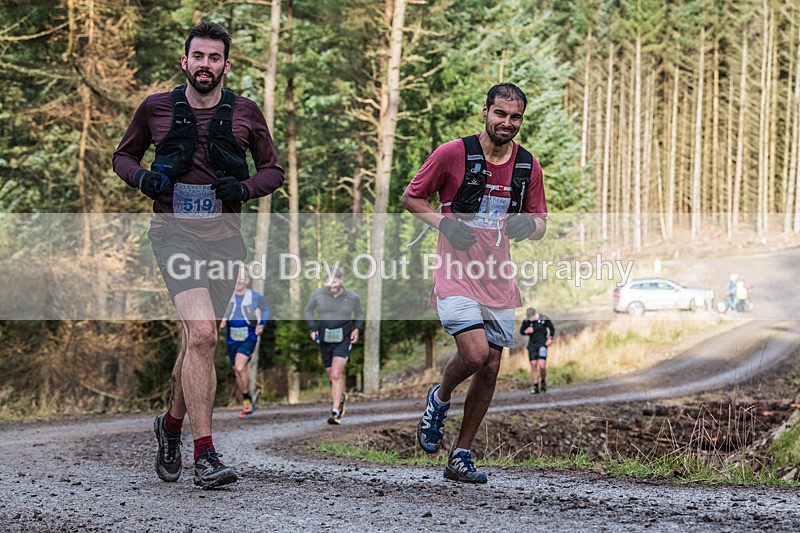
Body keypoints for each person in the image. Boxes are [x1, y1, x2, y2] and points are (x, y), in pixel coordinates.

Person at [112, 22, 284, 489]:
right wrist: (143, 179)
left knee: (196, 342)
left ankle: (169, 427)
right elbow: (122, 157)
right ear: (184, 61)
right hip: (173, 235)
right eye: (198, 57)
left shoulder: (247, 113)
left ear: (226, 65)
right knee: (205, 334)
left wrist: (244, 188)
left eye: (214, 58)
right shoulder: (156, 108)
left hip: (225, 240)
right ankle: (204, 455)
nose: (205, 65)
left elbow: (274, 171)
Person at [402, 83, 548, 483]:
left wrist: (527, 225)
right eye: (500, 113)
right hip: (456, 273)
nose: (507, 122)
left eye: (515, 116)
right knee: (475, 353)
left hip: (498, 277)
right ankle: (440, 398)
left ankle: (461, 455)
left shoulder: (526, 165)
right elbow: (412, 198)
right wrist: (446, 223)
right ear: (484, 112)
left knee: (492, 366)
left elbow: (540, 222)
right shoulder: (453, 154)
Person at [304, 269, 365, 425]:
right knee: (331, 374)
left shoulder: (352, 297)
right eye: (329, 281)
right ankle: (341, 397)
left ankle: (335, 410)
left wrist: (357, 329)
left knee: (336, 374)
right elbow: (308, 310)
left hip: (343, 339)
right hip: (324, 339)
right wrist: (312, 329)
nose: (332, 285)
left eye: (335, 281)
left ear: (341, 280)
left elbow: (359, 313)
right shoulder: (319, 294)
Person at [219, 268, 269, 419]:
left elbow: (265, 309)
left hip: (249, 336)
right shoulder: (227, 297)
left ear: (247, 280)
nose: (238, 280)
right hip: (231, 338)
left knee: (240, 366)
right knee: (236, 370)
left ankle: (247, 401)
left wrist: (262, 324)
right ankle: (248, 399)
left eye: (242, 277)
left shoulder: (255, 296)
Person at [519, 308, 555, 394]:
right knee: (533, 365)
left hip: (542, 344)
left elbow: (552, 329)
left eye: (531, 317)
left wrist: (550, 338)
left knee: (542, 365)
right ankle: (535, 385)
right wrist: (526, 331)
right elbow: (521, 331)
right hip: (532, 346)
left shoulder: (544, 319)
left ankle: (543, 381)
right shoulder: (526, 322)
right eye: (529, 317)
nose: (530, 319)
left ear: (535, 314)